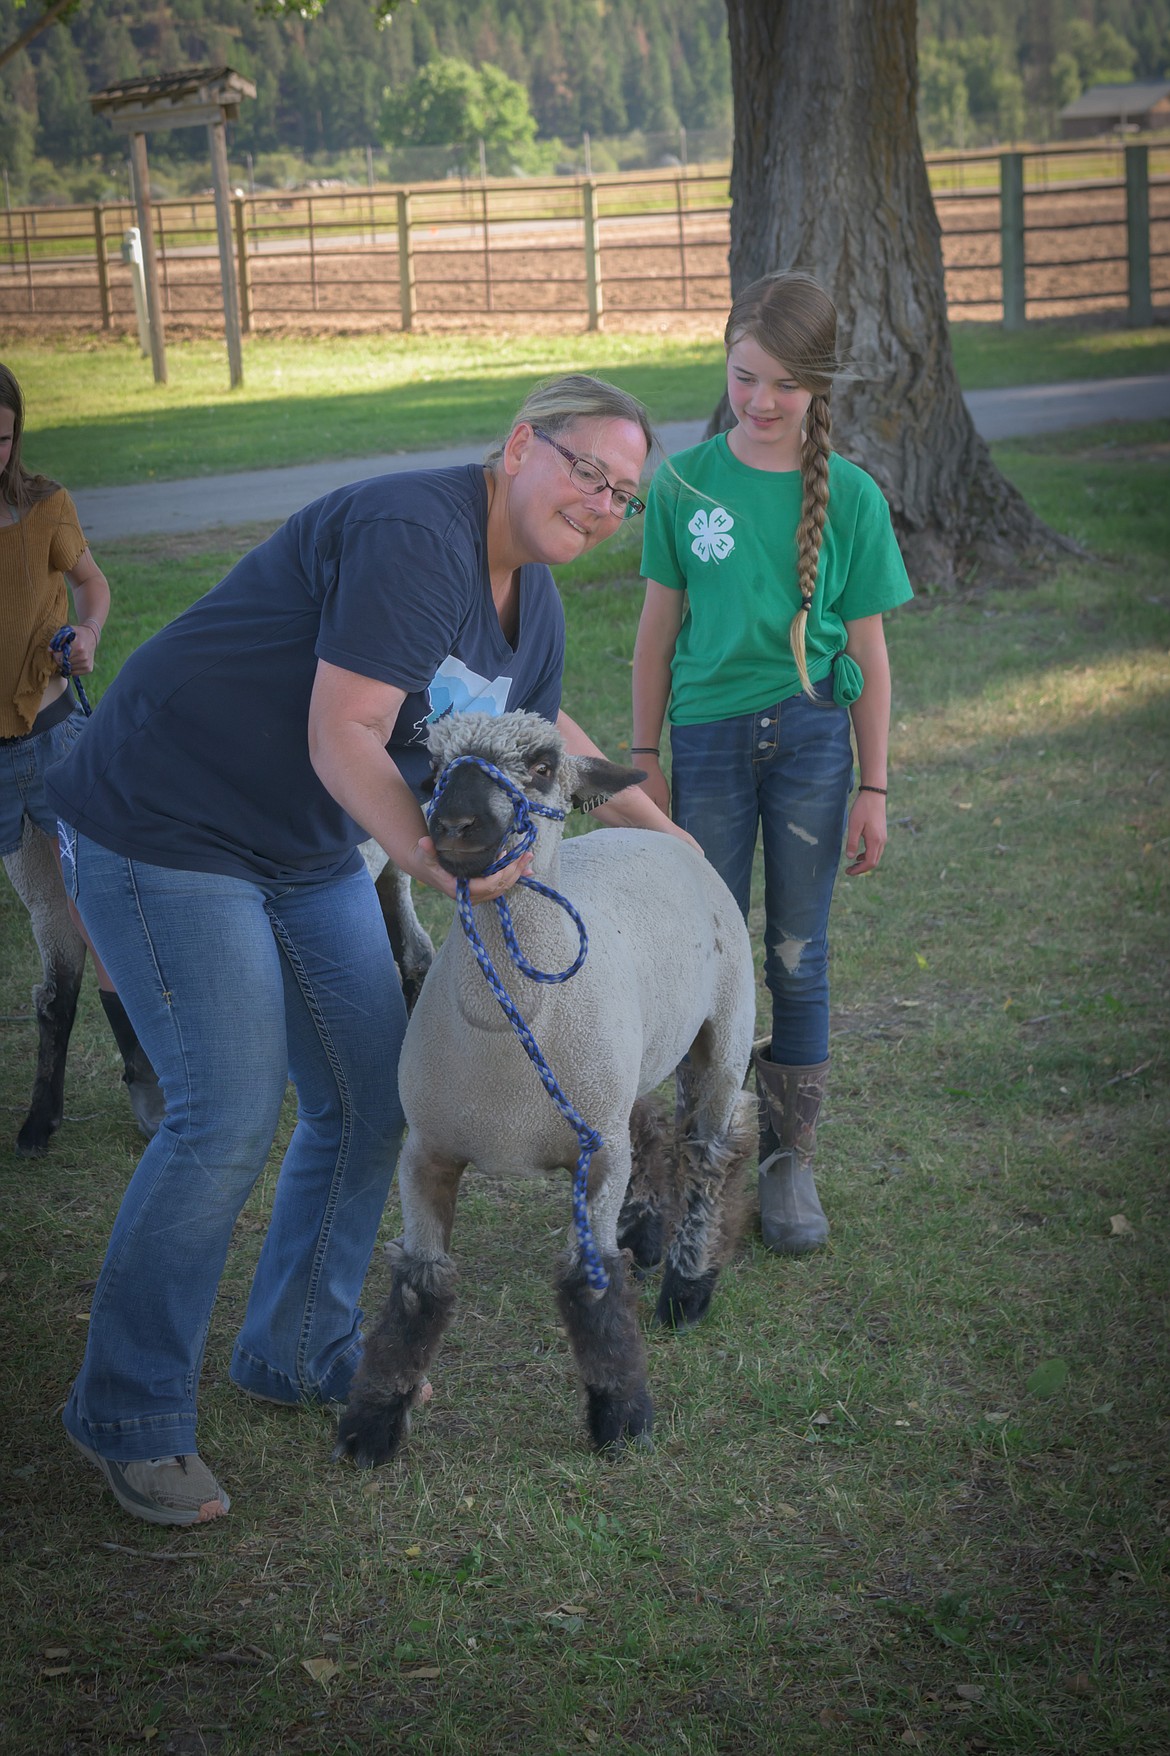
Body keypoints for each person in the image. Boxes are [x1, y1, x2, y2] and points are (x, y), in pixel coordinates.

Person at [46, 372, 689, 1528]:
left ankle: (298, 1350)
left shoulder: (528, 600)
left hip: (299, 841)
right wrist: (442, 867)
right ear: (518, 446)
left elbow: (539, 735)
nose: (602, 503)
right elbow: (343, 727)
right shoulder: (413, 533)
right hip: (165, 816)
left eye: (625, 495)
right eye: (588, 471)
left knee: (367, 1091)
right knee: (228, 1111)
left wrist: (671, 839)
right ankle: (130, 1412)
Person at [631, 272, 913, 1259]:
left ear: (819, 387)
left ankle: (788, 1160)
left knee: (798, 953)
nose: (761, 400)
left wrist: (873, 784)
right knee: (701, 954)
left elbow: (870, 655)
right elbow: (656, 632)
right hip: (704, 745)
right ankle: (694, 1157)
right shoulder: (683, 483)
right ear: (725, 363)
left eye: (786, 384)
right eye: (746, 376)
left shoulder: (856, 498)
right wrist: (639, 757)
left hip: (810, 749)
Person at [0, 361, 162, 1141]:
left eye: (0, 438)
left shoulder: (45, 507)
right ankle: (48, 1089)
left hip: (58, 739)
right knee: (45, 919)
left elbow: (92, 587)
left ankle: (143, 1072)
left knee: (95, 912)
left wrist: (89, 632)